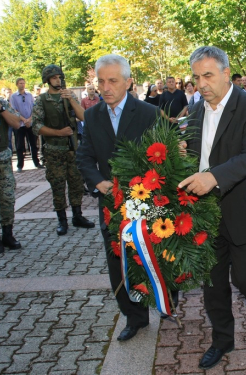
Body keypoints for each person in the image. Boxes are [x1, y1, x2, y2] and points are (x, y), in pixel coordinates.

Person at [179, 46, 246, 370]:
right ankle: (222, 340)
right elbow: (195, 156)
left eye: (207, 75)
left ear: (225, 72)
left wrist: (212, 177)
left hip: (243, 210)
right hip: (205, 213)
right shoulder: (194, 112)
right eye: (196, 77)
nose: (201, 83)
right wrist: (181, 154)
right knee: (213, 283)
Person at [76, 54, 162, 342]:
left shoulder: (148, 113)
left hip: (146, 202)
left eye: (112, 80)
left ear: (128, 81)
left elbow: (160, 157)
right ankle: (134, 317)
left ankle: (165, 298)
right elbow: (85, 156)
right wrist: (98, 182)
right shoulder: (92, 115)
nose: (106, 87)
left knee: (152, 256)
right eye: (101, 81)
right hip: (110, 206)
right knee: (118, 261)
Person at [31, 64, 95, 235]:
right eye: (54, 78)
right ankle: (62, 220)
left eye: (59, 77)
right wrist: (58, 133)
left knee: (76, 184)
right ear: (47, 80)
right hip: (53, 151)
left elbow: (83, 117)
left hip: (72, 150)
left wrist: (72, 100)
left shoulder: (69, 96)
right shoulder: (42, 100)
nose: (58, 80)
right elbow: (36, 126)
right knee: (58, 186)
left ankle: (77, 215)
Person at [0, 97, 23, 253]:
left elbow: (16, 123)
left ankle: (7, 234)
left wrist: (1, 110)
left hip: (3, 158)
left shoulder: (2, 103)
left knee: (8, 197)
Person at [10, 77, 43, 172]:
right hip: (20, 124)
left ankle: (36, 162)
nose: (22, 85)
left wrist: (29, 119)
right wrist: (24, 120)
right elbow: (13, 110)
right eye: (20, 83)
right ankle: (20, 165)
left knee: (33, 144)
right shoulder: (13, 97)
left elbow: (34, 108)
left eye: (23, 83)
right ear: (17, 84)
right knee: (20, 145)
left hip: (30, 123)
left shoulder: (29, 95)